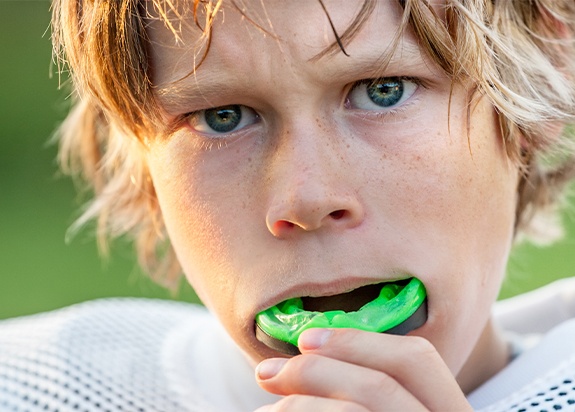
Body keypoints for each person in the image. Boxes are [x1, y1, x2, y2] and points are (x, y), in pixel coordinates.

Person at [1, 0, 575, 410]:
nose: (307, 198)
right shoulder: (36, 386)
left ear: (549, 71)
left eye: (383, 90)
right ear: (142, 163)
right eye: (221, 117)